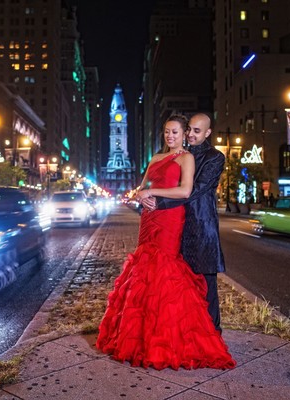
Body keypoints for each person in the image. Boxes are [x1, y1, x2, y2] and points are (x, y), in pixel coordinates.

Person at [96, 114, 236, 371]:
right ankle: (144, 336)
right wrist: (141, 194)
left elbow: (188, 190)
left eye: (180, 132)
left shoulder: (196, 157)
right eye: (167, 132)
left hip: (185, 223)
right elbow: (142, 185)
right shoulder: (159, 157)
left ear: (195, 133)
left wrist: (153, 195)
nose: (173, 136)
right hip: (152, 218)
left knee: (186, 280)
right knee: (145, 274)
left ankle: (201, 337)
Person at [142, 112, 226, 333]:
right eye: (189, 129)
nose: (191, 134)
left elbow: (193, 191)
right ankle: (186, 330)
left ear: (208, 133)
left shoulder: (214, 157)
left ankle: (212, 333)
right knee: (180, 283)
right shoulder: (181, 153)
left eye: (197, 131)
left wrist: (158, 201)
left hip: (200, 227)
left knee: (206, 284)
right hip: (176, 225)